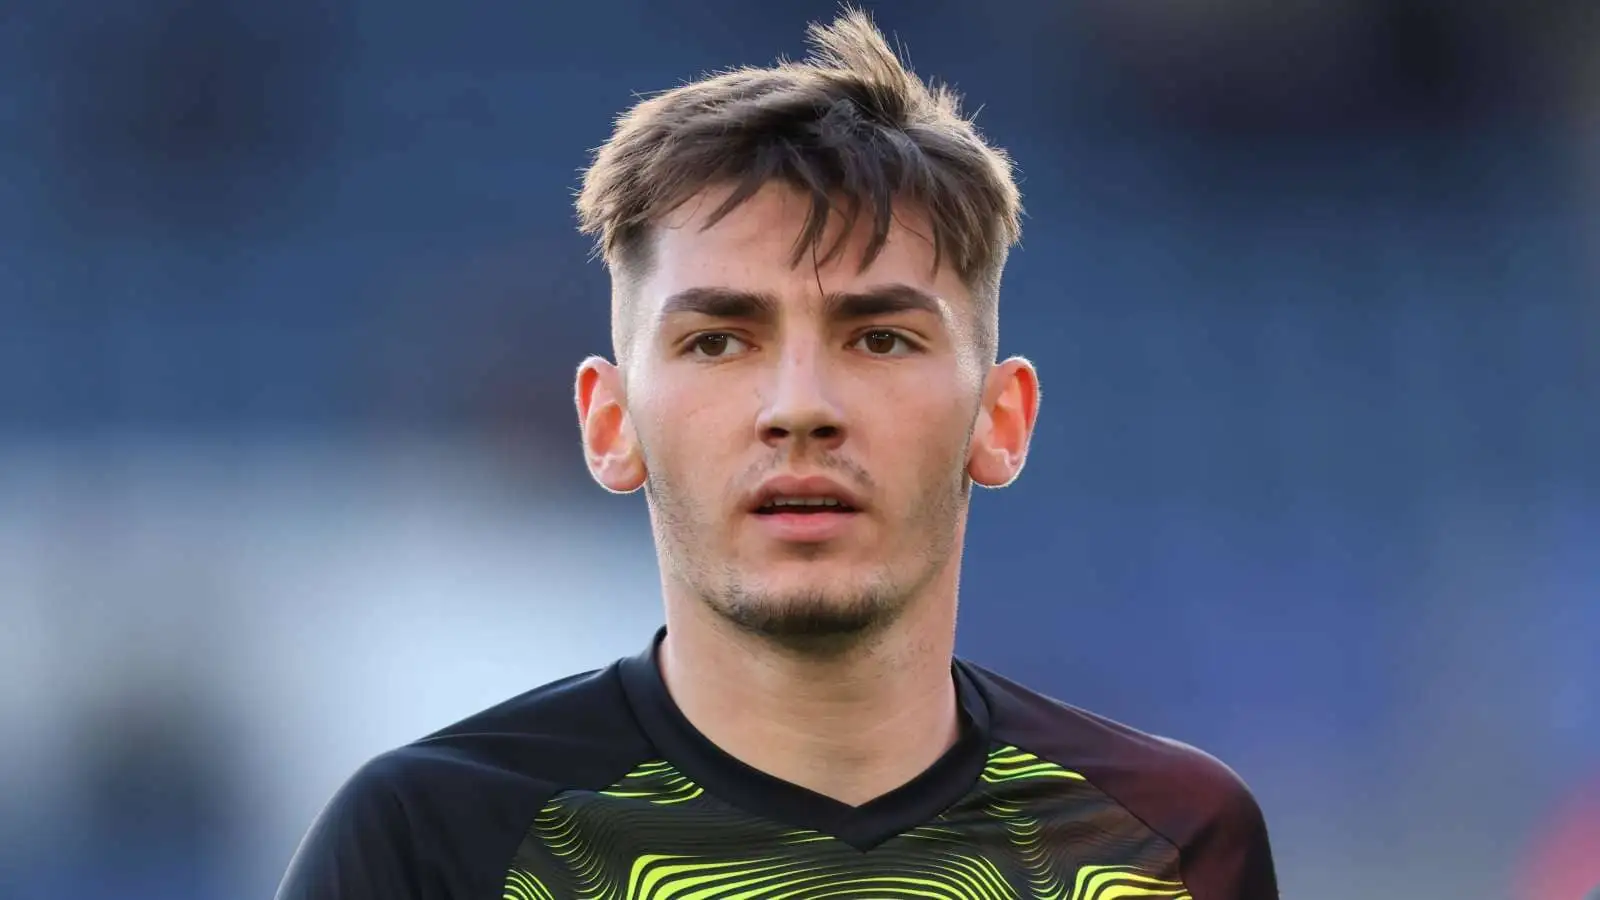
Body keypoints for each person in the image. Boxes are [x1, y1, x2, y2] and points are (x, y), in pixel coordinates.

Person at [276, 8, 1279, 899]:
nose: (799, 407)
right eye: (718, 341)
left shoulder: (1167, 844)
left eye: (880, 338)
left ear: (999, 418)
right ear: (609, 421)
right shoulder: (436, 845)